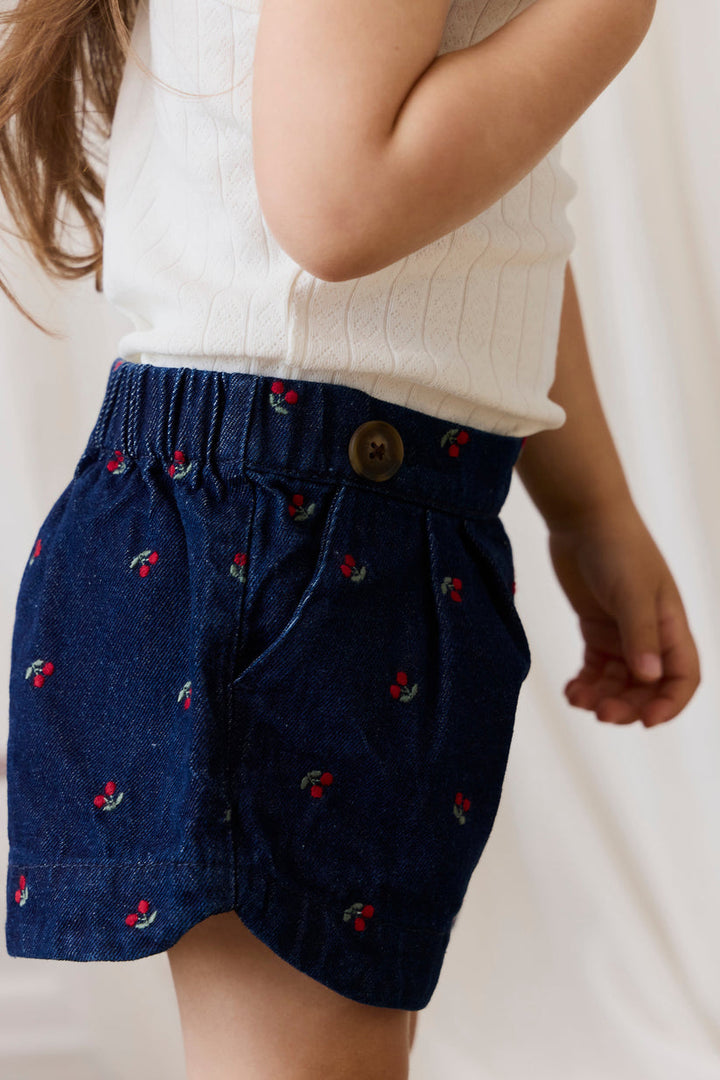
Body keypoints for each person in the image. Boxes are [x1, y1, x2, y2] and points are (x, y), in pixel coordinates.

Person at [1, 0, 700, 1075]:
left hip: (311, 524)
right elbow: (336, 204)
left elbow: (476, 213)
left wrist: (592, 510)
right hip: (287, 540)